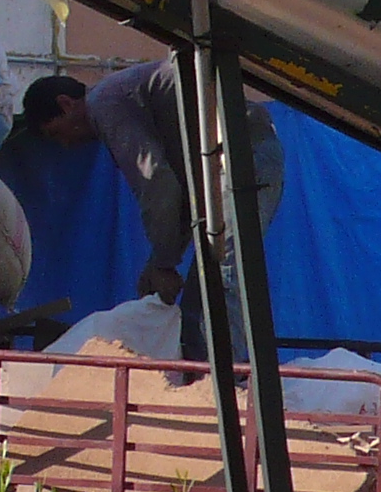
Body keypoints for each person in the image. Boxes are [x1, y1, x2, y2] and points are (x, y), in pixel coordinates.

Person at [18, 56, 283, 310]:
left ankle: (222, 358)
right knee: (209, 293)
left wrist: (164, 263)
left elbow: (157, 183)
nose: (66, 145)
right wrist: (160, 262)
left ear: (66, 104)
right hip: (239, 154)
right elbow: (178, 199)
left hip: (242, 154)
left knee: (220, 285)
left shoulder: (103, 104)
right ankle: (211, 356)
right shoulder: (121, 97)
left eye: (57, 133)